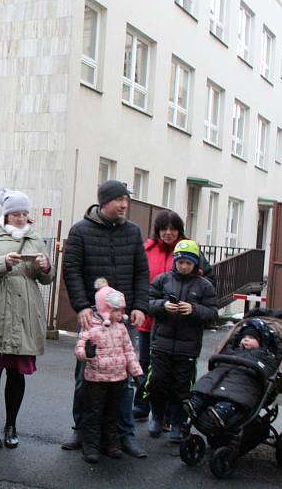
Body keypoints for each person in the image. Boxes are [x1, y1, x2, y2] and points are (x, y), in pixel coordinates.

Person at [61, 180, 150, 458]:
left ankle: (124, 435)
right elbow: (72, 272)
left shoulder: (133, 232)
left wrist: (139, 306)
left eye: (127, 199)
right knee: (84, 376)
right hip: (92, 318)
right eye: (119, 199)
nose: (124, 205)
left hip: (122, 319)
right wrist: (82, 306)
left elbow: (141, 273)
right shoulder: (80, 231)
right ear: (104, 201)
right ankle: (82, 430)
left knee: (123, 378)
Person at [0, 189, 54, 449]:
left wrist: (46, 267)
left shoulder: (35, 238)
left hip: (25, 310)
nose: (21, 219)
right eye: (16, 214)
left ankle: (11, 424)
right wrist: (2, 263)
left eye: (24, 214)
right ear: (6, 215)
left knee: (16, 373)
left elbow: (46, 278)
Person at [134, 210, 215, 420]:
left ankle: (172, 415)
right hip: (151, 318)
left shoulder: (190, 250)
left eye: (173, 229)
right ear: (157, 230)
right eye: (164, 229)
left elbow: (209, 285)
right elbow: (140, 280)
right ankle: (144, 406)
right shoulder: (147, 249)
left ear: (180, 231)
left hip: (183, 326)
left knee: (179, 375)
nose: (168, 233)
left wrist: (194, 306)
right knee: (147, 367)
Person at [145, 240, 218, 442]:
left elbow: (213, 313)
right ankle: (157, 416)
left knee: (181, 387)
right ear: (175, 261)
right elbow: (147, 303)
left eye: (188, 263)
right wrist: (163, 305)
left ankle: (178, 422)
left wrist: (193, 310)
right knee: (157, 382)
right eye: (181, 262)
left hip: (187, 349)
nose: (184, 266)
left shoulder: (204, 286)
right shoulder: (162, 280)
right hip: (161, 344)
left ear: (195, 264)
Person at [75, 280, 143, 463]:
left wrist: (137, 373)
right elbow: (79, 349)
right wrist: (87, 354)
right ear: (104, 309)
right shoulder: (90, 326)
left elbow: (129, 351)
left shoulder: (121, 328)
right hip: (96, 379)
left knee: (112, 412)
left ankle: (110, 442)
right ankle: (91, 445)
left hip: (118, 379)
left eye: (121, 310)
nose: (120, 314)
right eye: (116, 310)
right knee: (93, 413)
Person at [185, 319, 281, 427]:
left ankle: (222, 411)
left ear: (262, 341)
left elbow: (268, 370)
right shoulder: (232, 350)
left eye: (251, 338)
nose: (246, 340)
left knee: (235, 395)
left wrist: (257, 365)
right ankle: (195, 401)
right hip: (222, 377)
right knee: (207, 382)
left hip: (245, 381)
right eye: (244, 338)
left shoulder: (265, 357)